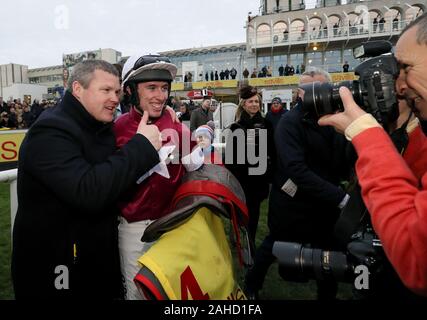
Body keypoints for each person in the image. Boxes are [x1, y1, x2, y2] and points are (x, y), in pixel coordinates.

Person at [11, 60, 162, 299]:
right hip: (57, 273)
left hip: (95, 266)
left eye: (117, 92)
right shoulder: (50, 131)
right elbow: (88, 191)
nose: (114, 98)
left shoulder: (98, 126)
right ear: (78, 89)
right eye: (105, 90)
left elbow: (114, 179)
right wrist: (141, 147)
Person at [318, 13, 427, 297]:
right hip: (368, 246)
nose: (402, 86)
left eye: (405, 68)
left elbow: (417, 255)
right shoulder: (381, 129)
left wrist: (369, 137)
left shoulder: (419, 139)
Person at [244, 68, 350, 300]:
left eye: (315, 89)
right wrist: (340, 197)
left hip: (324, 208)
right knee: (273, 246)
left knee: (327, 257)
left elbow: (342, 160)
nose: (308, 95)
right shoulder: (289, 122)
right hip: (293, 206)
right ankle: (251, 287)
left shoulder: (336, 119)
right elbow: (297, 169)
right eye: (304, 89)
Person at [114, 54, 197, 300]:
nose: (160, 96)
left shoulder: (177, 127)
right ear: (130, 91)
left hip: (174, 225)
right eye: (151, 88)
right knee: (138, 295)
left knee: (172, 293)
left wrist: (183, 133)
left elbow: (195, 168)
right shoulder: (115, 129)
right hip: (135, 230)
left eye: (164, 88)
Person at [225, 85, 275, 248]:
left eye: (257, 101)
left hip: (259, 180)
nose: (254, 104)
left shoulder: (267, 124)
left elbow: (273, 152)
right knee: (239, 213)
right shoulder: (235, 127)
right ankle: (238, 236)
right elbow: (231, 160)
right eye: (251, 101)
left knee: (253, 215)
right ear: (243, 104)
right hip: (241, 180)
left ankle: (249, 244)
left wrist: (269, 174)